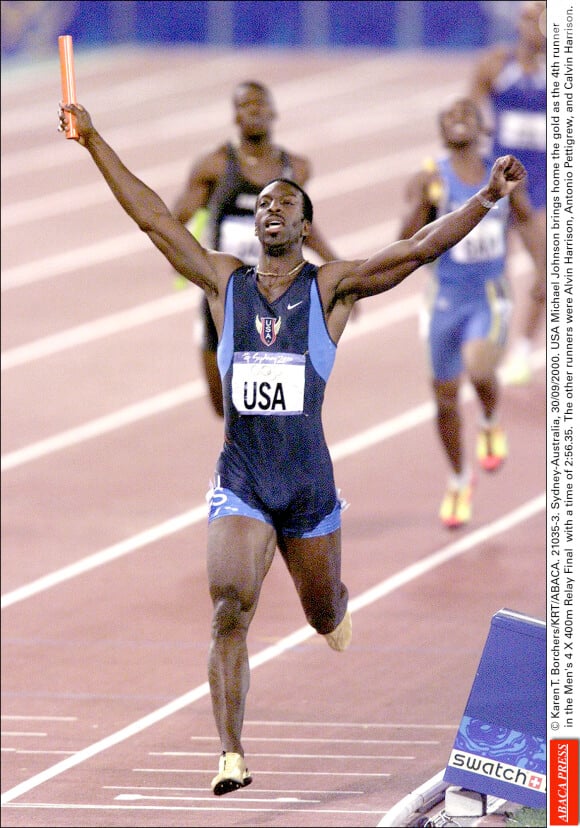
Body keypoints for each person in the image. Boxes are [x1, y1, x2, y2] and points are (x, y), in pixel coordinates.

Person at [58, 100, 527, 795]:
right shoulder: (224, 282)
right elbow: (155, 218)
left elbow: (421, 247)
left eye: (286, 204)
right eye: (264, 206)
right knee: (228, 609)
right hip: (242, 481)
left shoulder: (331, 288)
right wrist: (93, 139)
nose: (270, 211)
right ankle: (231, 753)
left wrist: (486, 198)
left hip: (308, 490)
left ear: (305, 227)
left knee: (322, 613)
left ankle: (334, 607)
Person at [399, 97, 544, 529]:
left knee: (479, 365)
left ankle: (490, 418)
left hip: (489, 294)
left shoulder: (502, 176)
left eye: (467, 114)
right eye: (449, 116)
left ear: (482, 127)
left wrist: (541, 269)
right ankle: (460, 480)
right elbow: (404, 240)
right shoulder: (430, 179)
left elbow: (526, 220)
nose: (459, 120)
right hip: (444, 298)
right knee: (443, 400)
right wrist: (422, 204)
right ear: (441, 131)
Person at [172, 80, 339, 417]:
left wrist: (336, 267)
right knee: (223, 406)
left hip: (281, 294)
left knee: (280, 402)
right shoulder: (214, 166)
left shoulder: (297, 168)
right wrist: (191, 264)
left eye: (260, 103)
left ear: (274, 112)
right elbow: (174, 221)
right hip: (227, 294)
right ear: (235, 116)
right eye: (246, 105)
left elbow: (304, 225)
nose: (254, 110)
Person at [469, 0, 546, 385]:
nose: (537, 26)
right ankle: (480, 342)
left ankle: (522, 351)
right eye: (531, 18)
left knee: (550, 272)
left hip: (544, 190)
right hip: (499, 186)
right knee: (484, 270)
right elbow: (470, 115)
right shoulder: (496, 65)